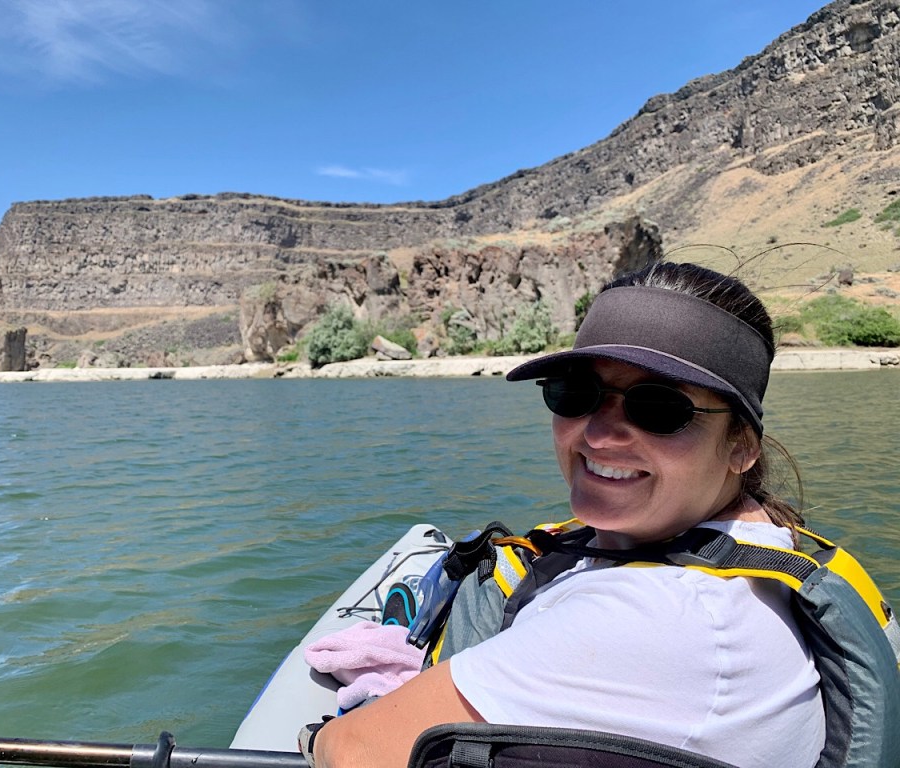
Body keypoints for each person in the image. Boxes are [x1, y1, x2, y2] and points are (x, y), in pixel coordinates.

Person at [307, 262, 827, 768]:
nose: (598, 435)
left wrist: (322, 737)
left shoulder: (657, 617)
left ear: (741, 446)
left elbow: (354, 752)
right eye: (576, 393)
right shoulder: (759, 549)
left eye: (659, 408)